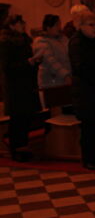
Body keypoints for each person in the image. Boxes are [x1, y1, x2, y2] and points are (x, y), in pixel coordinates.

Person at [69, 11, 95, 170]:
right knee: (89, 126)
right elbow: (80, 67)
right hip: (85, 91)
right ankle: (88, 158)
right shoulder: (77, 42)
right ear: (81, 26)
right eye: (91, 25)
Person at [0, 15, 41, 162]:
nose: (23, 25)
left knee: (25, 117)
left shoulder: (24, 40)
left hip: (26, 84)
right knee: (17, 119)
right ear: (12, 25)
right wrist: (27, 63)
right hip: (15, 87)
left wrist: (35, 62)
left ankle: (23, 146)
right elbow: (7, 67)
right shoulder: (6, 43)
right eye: (20, 23)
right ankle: (16, 149)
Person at [33, 14, 71, 90]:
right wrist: (65, 75)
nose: (59, 27)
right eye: (56, 25)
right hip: (50, 83)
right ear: (48, 28)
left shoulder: (63, 39)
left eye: (60, 24)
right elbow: (50, 61)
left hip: (65, 81)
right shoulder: (41, 41)